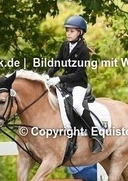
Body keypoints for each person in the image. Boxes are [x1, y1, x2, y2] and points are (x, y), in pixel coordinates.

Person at [44, 15, 103, 153]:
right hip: (65, 83)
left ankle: (96, 134)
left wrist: (59, 79)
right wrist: (48, 74)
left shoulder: (83, 50)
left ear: (80, 32)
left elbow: (78, 74)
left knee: (76, 105)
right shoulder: (65, 45)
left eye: (72, 31)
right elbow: (57, 62)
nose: (68, 33)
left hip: (78, 84)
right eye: (67, 31)